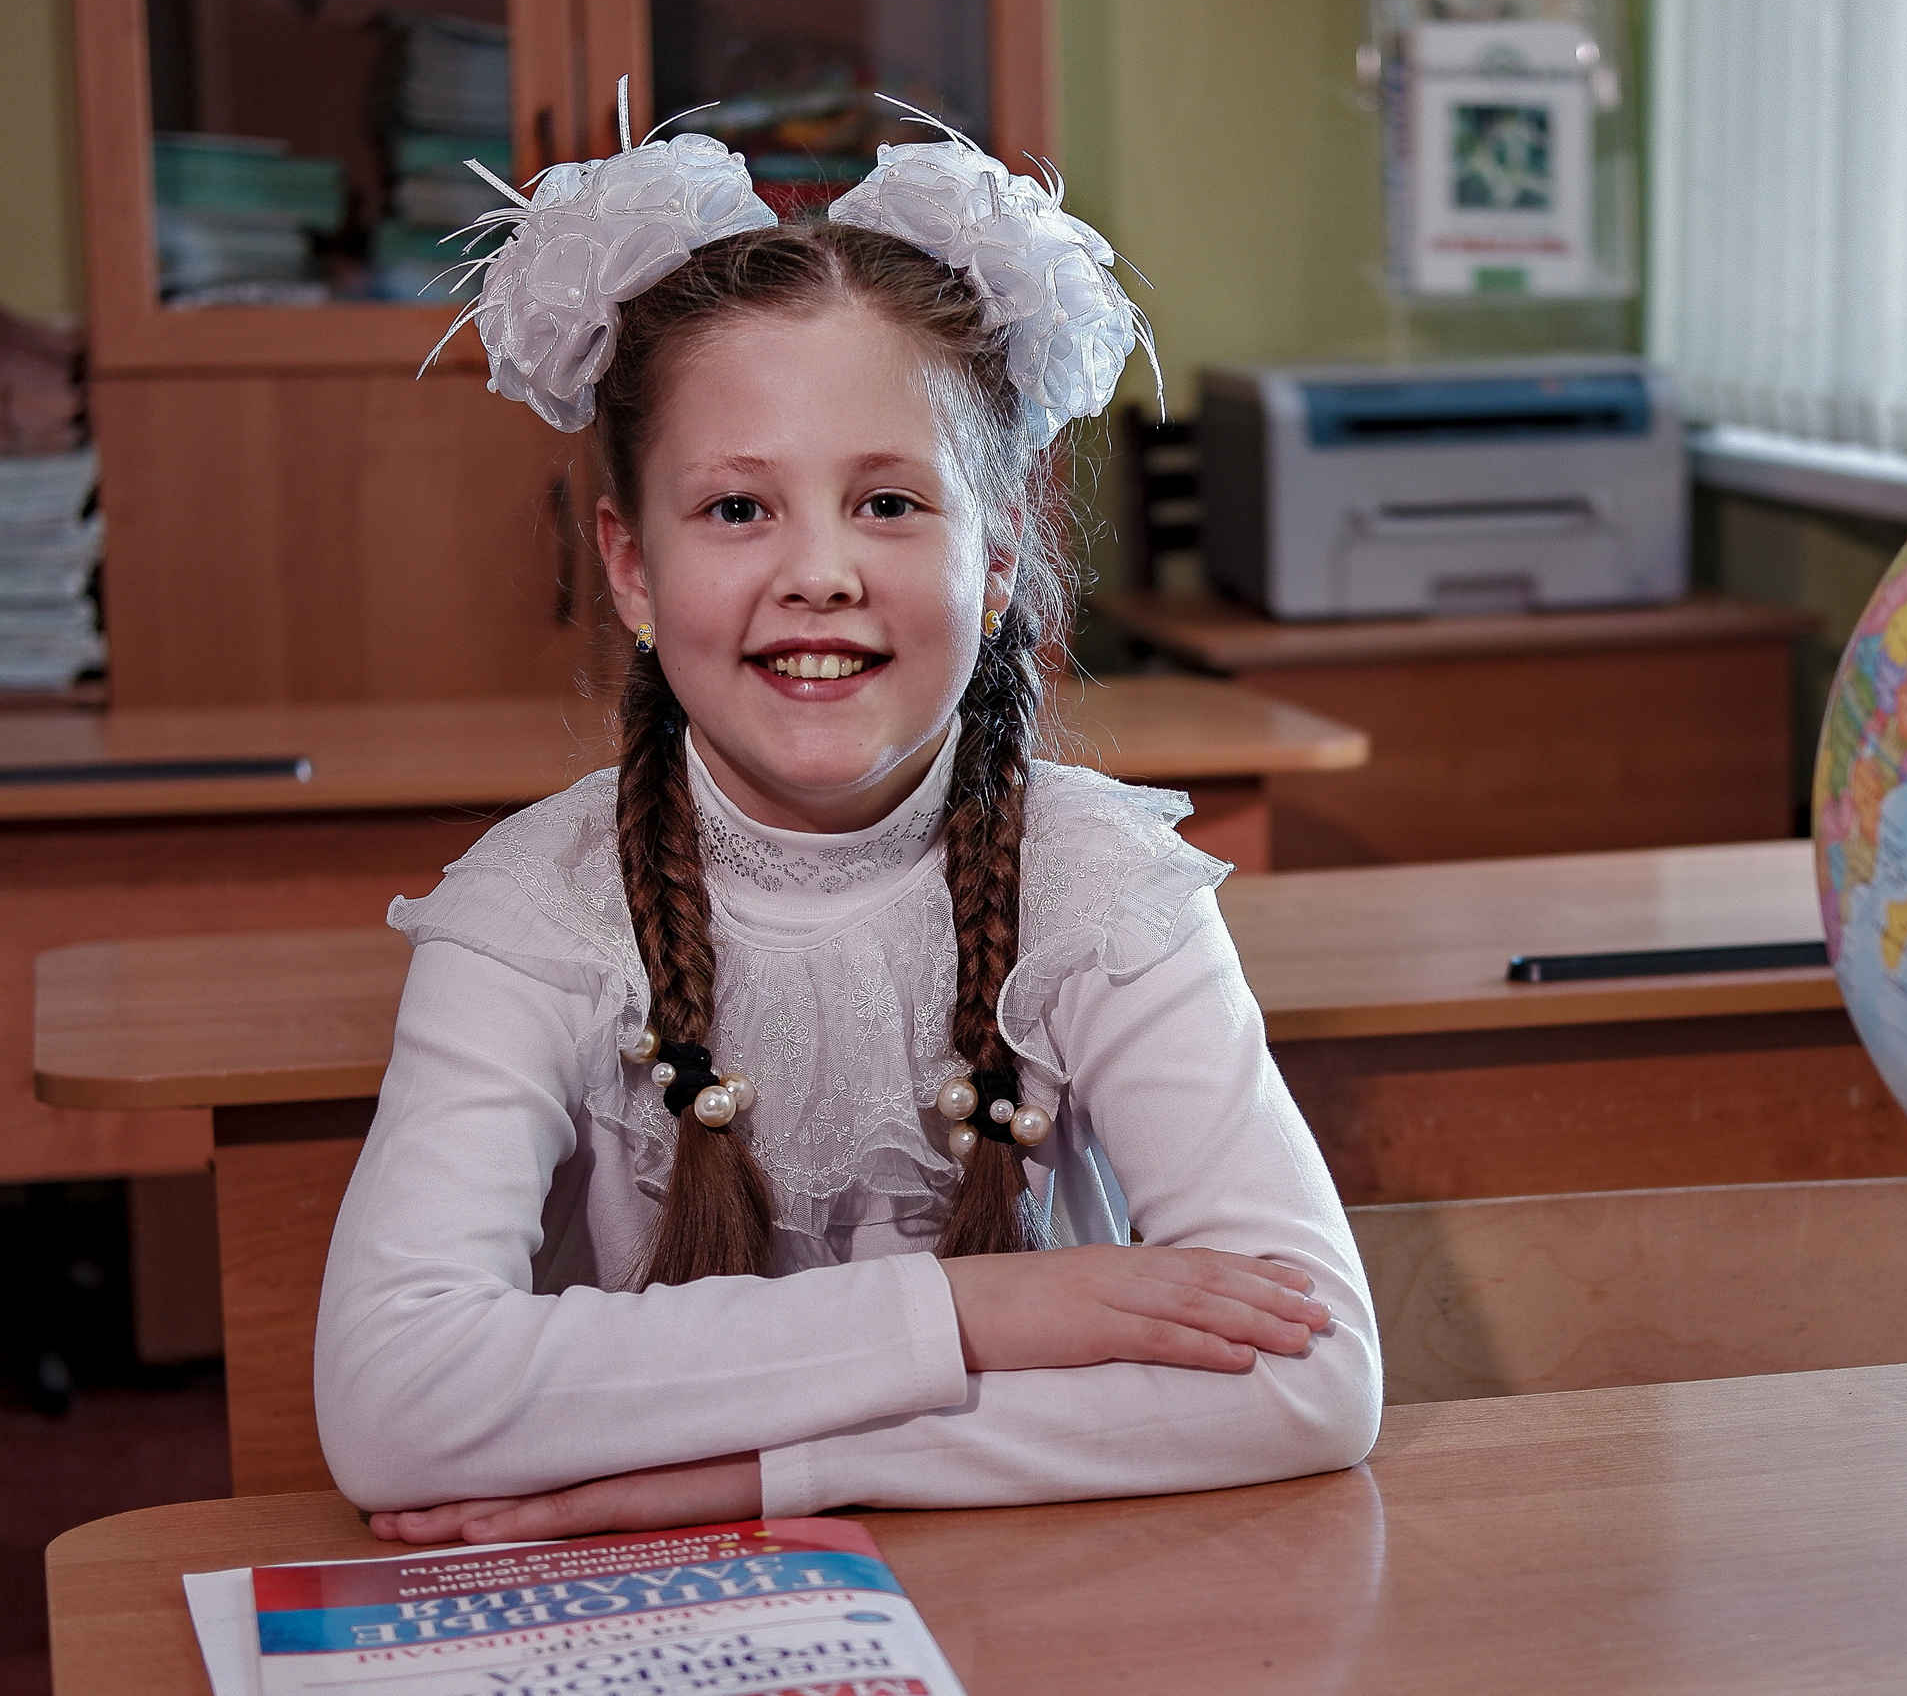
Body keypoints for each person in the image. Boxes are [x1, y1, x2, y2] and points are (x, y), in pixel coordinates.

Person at [314, 100, 1382, 1545]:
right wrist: (980, 1310)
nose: (819, 572)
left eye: (887, 501)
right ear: (629, 567)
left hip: (1056, 1603)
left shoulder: (1099, 888)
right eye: (738, 510)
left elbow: (1314, 1384)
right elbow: (395, 1401)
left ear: (995, 558)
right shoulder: (538, 911)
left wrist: (754, 1479)